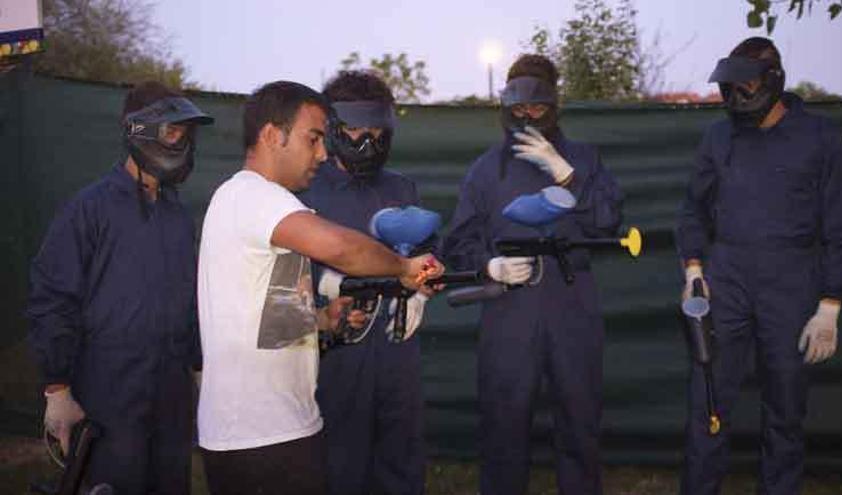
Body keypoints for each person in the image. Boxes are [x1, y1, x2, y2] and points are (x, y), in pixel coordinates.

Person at [196, 80, 442, 495]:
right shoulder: (254, 196)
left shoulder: (266, 202)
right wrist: (402, 268)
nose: (322, 153)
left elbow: (271, 310)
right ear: (274, 136)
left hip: (287, 424)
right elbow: (339, 246)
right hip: (258, 435)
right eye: (313, 139)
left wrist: (325, 320)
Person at [676, 37, 842, 495]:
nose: (737, 96)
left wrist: (830, 304)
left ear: (772, 81)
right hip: (726, 279)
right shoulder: (718, 137)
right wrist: (694, 269)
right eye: (730, 87)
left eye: (746, 85)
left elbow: (841, 225)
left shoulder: (820, 138)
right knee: (709, 403)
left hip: (792, 281)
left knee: (784, 410)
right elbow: (692, 209)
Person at [441, 54, 623, 495]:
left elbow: (608, 222)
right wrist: (490, 265)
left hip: (571, 301)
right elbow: (458, 242)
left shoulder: (583, 158)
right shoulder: (486, 169)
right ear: (506, 104)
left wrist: (566, 174)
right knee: (503, 424)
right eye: (518, 109)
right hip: (508, 309)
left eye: (537, 108)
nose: (527, 118)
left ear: (554, 104)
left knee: (579, 421)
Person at [27, 81, 214, 493]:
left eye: (187, 133)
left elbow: (189, 303)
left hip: (171, 391)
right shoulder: (88, 209)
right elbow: (52, 297)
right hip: (107, 392)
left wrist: (199, 369)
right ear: (139, 131)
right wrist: (57, 389)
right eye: (173, 131)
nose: (182, 142)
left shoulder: (178, 216)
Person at [298, 70, 429, 495]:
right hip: (335, 353)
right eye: (355, 131)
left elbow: (429, 253)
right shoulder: (306, 189)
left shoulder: (401, 187)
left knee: (401, 463)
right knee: (339, 468)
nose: (367, 142)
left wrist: (425, 283)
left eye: (376, 131)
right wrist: (326, 290)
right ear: (333, 129)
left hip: (396, 353)